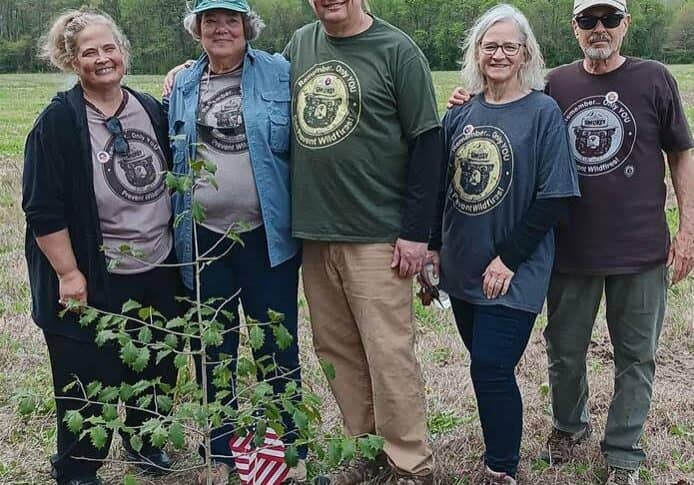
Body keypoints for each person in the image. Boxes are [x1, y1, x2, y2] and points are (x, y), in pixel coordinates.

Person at [449, 1, 694, 483]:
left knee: (636, 354)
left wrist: (688, 230)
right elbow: (508, 101)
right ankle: (568, 425)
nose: (598, 28)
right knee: (564, 349)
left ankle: (623, 453)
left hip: (640, 248)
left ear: (626, 25)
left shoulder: (654, 78)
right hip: (571, 250)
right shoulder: (555, 85)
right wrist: (465, 99)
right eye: (588, 20)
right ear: (575, 29)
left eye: (609, 19)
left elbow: (681, 153)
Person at [284, 1, 441, 483]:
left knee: (388, 352)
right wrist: (193, 67)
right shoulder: (300, 44)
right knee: (337, 351)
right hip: (315, 232)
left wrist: (418, 233)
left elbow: (428, 143)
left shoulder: (397, 51)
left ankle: (411, 462)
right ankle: (367, 446)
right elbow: (250, 79)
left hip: (377, 234)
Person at [22, 9, 181, 485]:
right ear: (72, 61)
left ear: (124, 54)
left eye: (109, 48)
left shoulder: (149, 108)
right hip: (95, 271)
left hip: (156, 265)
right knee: (85, 377)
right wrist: (70, 275)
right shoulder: (58, 122)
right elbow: (42, 209)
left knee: (156, 364)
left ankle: (146, 442)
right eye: (89, 51)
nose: (102, 58)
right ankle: (78, 467)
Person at [428, 5, 580, 484]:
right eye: (489, 45)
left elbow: (554, 196)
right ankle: (499, 448)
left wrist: (509, 258)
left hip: (515, 268)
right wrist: (433, 250)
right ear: (477, 52)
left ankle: (502, 469)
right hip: (462, 264)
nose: (498, 54)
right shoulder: (460, 113)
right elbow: (439, 190)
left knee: (491, 366)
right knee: (482, 365)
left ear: (525, 53)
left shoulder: (542, 112)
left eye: (508, 46)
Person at [166, 1, 304, 483]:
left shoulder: (282, 73)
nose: (221, 28)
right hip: (203, 241)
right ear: (197, 29)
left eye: (231, 19)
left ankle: (293, 449)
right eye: (210, 20)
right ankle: (221, 455)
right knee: (213, 349)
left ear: (248, 26)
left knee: (277, 344)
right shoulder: (183, 83)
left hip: (267, 238)